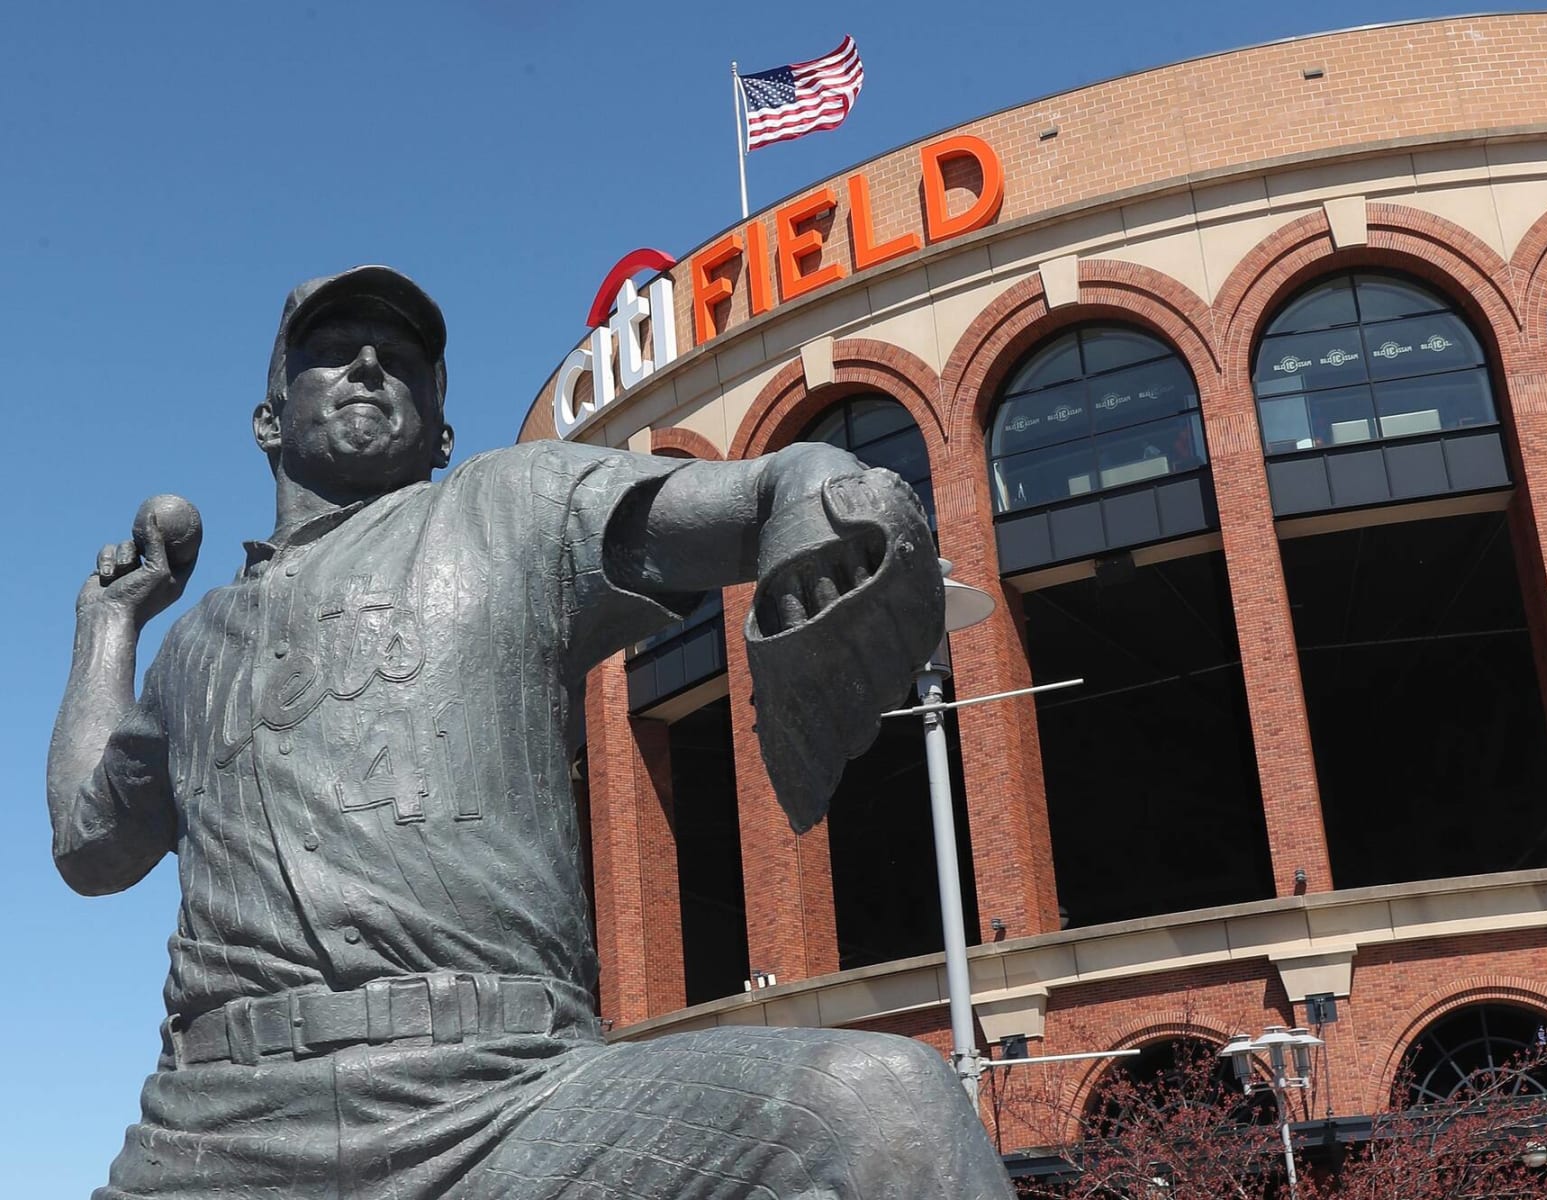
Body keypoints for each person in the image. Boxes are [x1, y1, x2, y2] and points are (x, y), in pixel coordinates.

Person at [48, 266, 1013, 1200]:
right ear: (268, 420)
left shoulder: (512, 505)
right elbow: (89, 849)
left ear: (441, 433)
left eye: (402, 362)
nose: (370, 367)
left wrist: (813, 481)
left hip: (505, 1103)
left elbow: (744, 497)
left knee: (887, 1108)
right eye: (335, 351)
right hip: (219, 1127)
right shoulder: (191, 653)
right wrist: (112, 622)